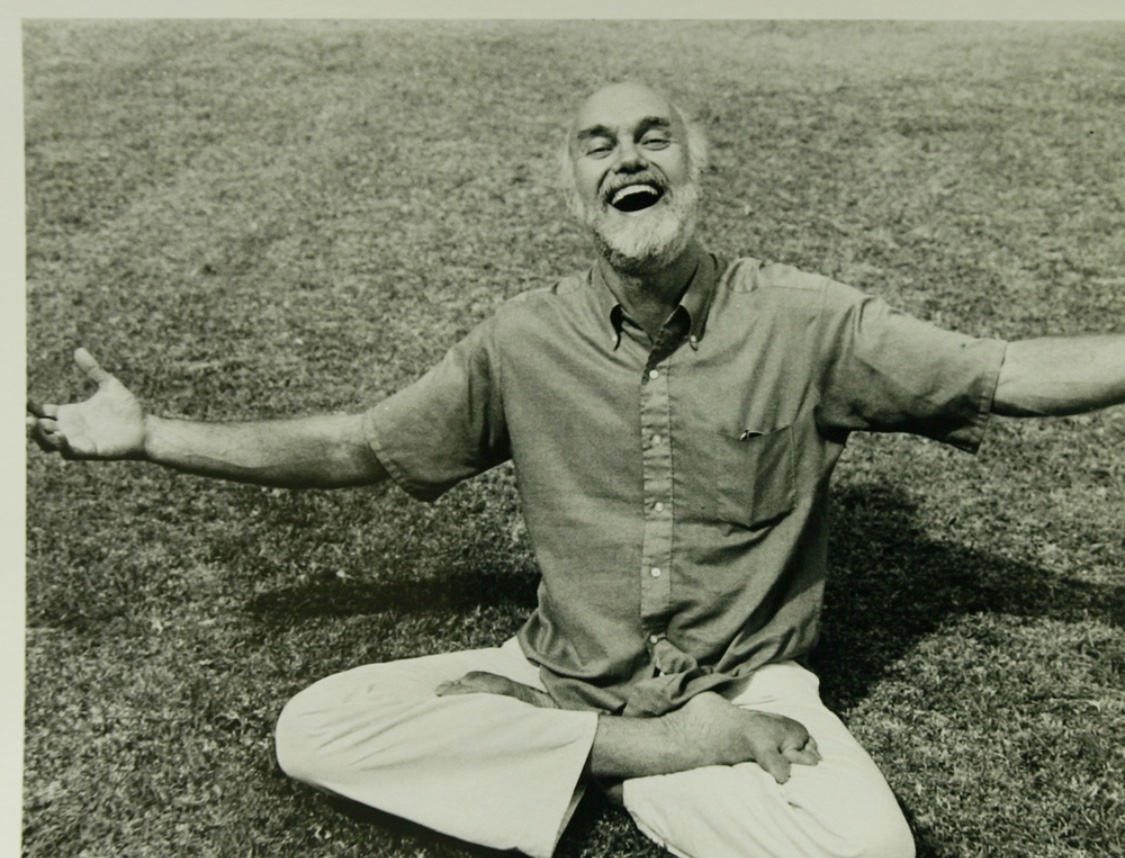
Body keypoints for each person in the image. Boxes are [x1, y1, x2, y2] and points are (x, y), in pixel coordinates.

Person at [26, 82, 1125, 858]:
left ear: (696, 166)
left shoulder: (806, 321)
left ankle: (581, 765)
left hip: (745, 687)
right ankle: (651, 757)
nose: (628, 158)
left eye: (654, 136)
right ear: (573, 189)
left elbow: (1007, 373)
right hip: (559, 671)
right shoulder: (522, 340)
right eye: (599, 145)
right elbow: (363, 445)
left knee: (869, 851)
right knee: (315, 725)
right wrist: (155, 434)